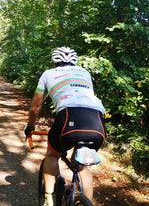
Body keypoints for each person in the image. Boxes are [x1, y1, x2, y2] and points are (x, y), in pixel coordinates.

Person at [24, 47, 105, 206]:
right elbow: (87, 100)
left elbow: (35, 107)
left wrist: (30, 126)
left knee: (52, 155)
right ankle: (85, 202)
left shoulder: (48, 74)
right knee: (81, 166)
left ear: (55, 63)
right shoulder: (84, 73)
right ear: (75, 62)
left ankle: (48, 199)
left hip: (69, 118)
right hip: (97, 122)